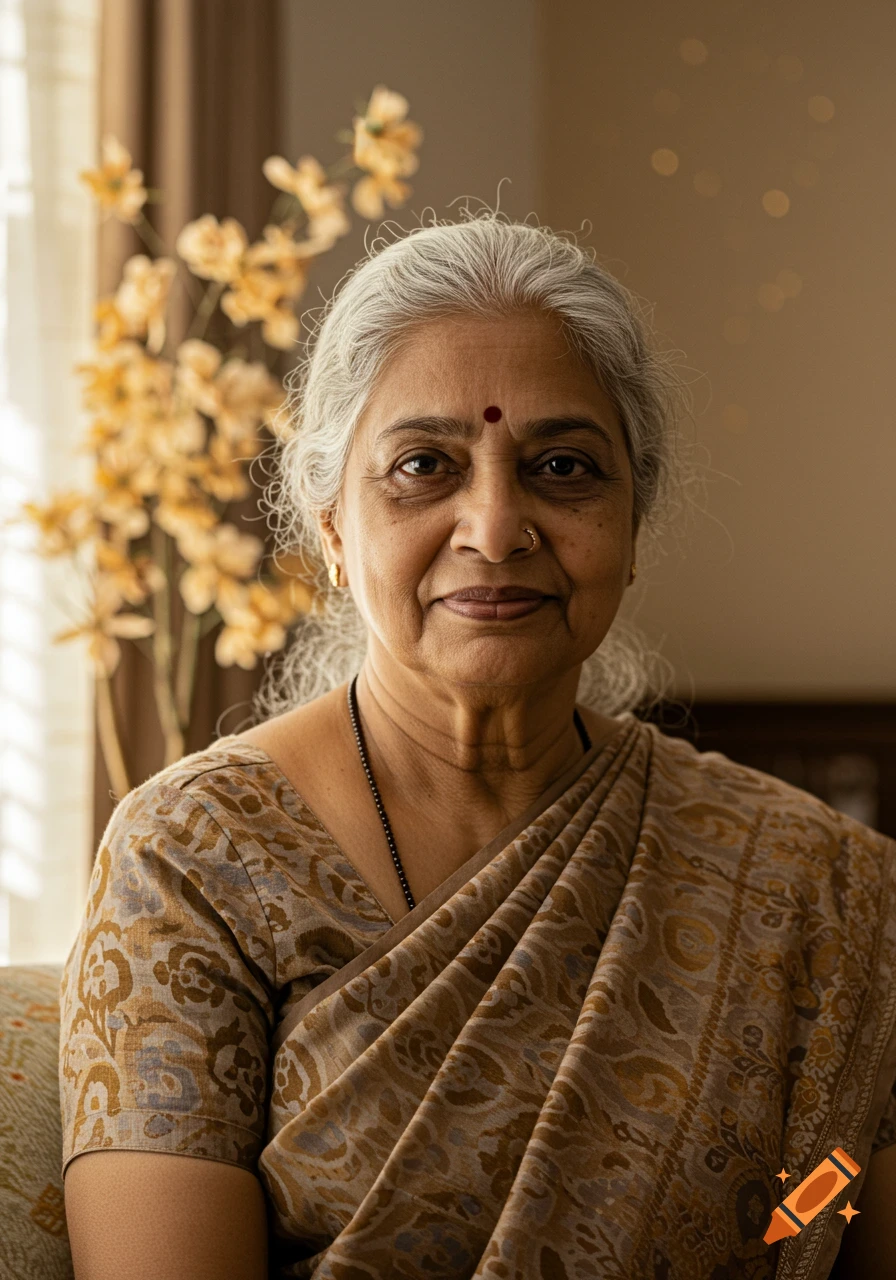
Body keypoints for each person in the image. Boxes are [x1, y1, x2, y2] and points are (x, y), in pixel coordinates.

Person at [59, 213, 896, 1280]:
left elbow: (823, 1195)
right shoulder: (193, 858)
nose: (495, 526)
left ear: (633, 520)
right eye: (422, 465)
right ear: (328, 525)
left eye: (561, 466)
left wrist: (774, 1228)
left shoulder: (812, 885)